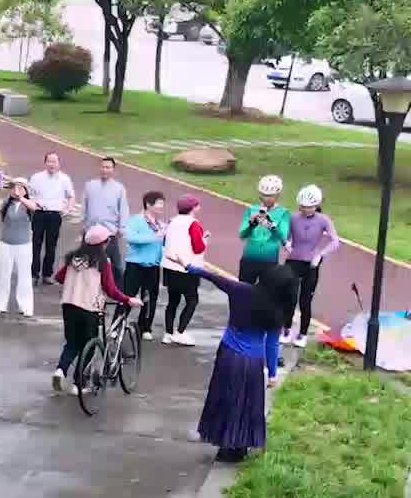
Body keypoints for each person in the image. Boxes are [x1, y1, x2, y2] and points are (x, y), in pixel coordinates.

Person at [176, 251, 295, 462]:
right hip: (253, 362)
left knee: (225, 400)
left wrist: (188, 265)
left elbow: (214, 277)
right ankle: (240, 446)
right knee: (247, 404)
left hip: (229, 354)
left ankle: (224, 445)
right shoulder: (277, 311)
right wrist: (272, 374)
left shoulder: (241, 290)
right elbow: (272, 344)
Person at [50, 224, 140, 392]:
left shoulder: (73, 258)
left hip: (69, 305)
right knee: (89, 345)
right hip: (89, 308)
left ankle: (60, 370)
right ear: (103, 243)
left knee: (72, 343)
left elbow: (59, 277)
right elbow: (110, 289)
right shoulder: (102, 262)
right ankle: (79, 384)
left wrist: (76, 281)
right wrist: (127, 299)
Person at [281, 184, 339, 346]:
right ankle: (286, 329)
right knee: (289, 297)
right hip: (293, 261)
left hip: (311, 265)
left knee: (305, 301)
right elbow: (285, 237)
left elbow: (335, 241)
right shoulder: (293, 218)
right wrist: (286, 243)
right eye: (303, 207)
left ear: (316, 205)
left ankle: (302, 334)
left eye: (309, 207)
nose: (306, 210)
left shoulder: (323, 220)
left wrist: (320, 255)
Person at [159, 193, 208, 347]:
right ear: (193, 208)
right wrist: (205, 239)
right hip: (187, 268)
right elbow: (198, 247)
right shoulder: (193, 224)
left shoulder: (172, 221)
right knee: (192, 301)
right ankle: (180, 332)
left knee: (172, 301)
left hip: (170, 267)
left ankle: (168, 333)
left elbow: (165, 241)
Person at [122, 191, 168, 341]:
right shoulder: (136, 220)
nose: (161, 207)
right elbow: (131, 238)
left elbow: (164, 243)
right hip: (135, 265)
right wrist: (153, 237)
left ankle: (145, 327)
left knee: (150, 298)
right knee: (128, 296)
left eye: (162, 204)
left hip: (153, 266)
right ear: (148, 205)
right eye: (159, 204)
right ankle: (118, 324)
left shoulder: (160, 224)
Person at [26, 152, 75, 284]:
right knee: (35, 245)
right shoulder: (36, 177)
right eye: (49, 161)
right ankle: (34, 274)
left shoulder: (64, 179)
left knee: (51, 246)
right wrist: (34, 204)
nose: (52, 164)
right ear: (45, 163)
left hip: (55, 215)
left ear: (59, 163)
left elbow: (71, 196)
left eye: (54, 161)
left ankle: (47, 274)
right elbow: (30, 194)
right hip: (39, 214)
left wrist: (68, 209)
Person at [0, 177, 38, 317]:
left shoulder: (28, 204)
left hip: (24, 245)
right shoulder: (7, 203)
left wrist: (21, 197)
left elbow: (34, 207)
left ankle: (26, 306)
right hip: (5, 244)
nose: (16, 190)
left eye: (20, 187)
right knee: (3, 275)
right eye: (13, 187)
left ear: (25, 190)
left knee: (24, 276)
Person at [237, 175, 290, 286]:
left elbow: (283, 238)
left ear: (278, 195)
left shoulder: (284, 213)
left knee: (267, 292)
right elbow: (242, 234)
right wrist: (251, 225)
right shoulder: (252, 209)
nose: (267, 199)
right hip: (249, 258)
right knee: (243, 290)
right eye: (264, 195)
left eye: (271, 196)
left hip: (270, 261)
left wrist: (271, 224)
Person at [81, 156, 131, 274]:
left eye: (108, 167)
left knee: (115, 266)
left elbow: (123, 209)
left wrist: (122, 227)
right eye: (103, 167)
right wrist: (83, 224)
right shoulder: (90, 185)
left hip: (110, 232)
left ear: (113, 170)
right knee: (87, 262)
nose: (105, 170)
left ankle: (115, 285)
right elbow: (84, 206)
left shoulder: (119, 188)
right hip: (91, 231)